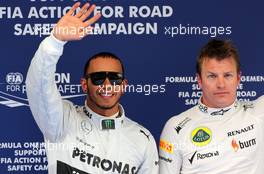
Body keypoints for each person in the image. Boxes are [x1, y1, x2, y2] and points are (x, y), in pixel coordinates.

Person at [26, 2, 158, 174]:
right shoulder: (62, 119)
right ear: (84, 84)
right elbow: (39, 87)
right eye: (98, 78)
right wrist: (55, 42)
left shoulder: (142, 139)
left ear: (124, 85)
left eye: (115, 78)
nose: (107, 85)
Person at [159, 39, 264, 174]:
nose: (221, 84)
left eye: (227, 75)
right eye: (212, 76)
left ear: (238, 78)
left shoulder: (259, 112)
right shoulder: (176, 127)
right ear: (199, 80)